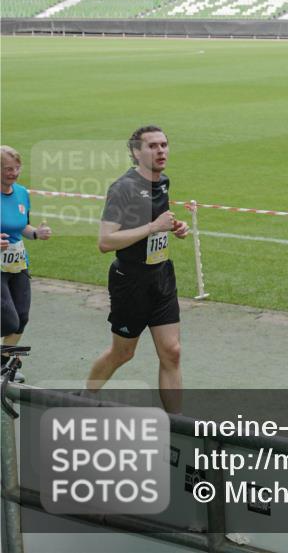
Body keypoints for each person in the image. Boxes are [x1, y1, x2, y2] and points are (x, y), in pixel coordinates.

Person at [85, 126, 188, 413]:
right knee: (123, 353)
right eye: (153, 146)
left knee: (172, 352)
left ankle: (174, 423)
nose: (161, 151)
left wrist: (174, 228)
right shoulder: (123, 188)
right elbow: (105, 242)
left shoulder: (163, 181)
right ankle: (84, 396)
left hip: (161, 276)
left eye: (164, 145)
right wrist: (155, 227)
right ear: (135, 152)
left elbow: (155, 225)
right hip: (130, 282)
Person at [1, 145, 53, 382]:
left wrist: (36, 233)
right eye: (6, 169)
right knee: (8, 320)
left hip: (18, 265)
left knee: (21, 318)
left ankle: (3, 368)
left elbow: (22, 225)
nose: (13, 173)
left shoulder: (21, 193)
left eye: (16, 168)